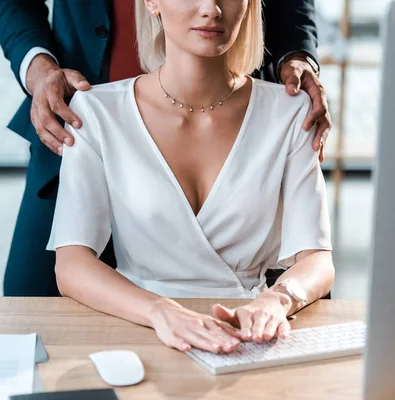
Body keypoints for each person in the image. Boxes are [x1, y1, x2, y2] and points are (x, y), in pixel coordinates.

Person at [46, 0, 334, 354]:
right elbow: (72, 265)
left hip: (246, 336)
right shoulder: (96, 112)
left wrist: (277, 300)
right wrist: (159, 311)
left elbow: (317, 259)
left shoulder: (291, 113)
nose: (212, 8)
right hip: (135, 326)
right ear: (151, 3)